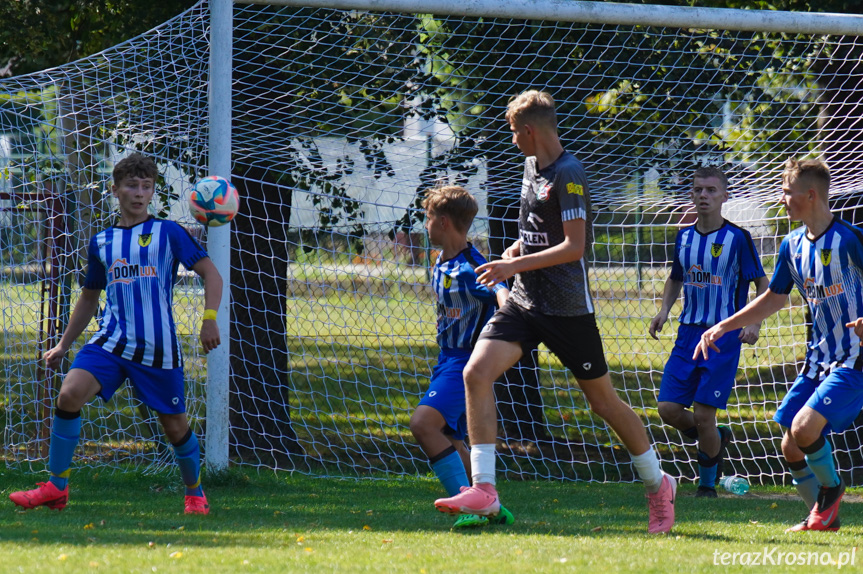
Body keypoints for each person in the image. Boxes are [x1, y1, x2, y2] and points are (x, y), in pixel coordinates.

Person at [433, 90, 677, 534]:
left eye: (513, 132)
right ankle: (484, 491)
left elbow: (574, 247)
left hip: (567, 311)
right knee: (476, 374)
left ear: (529, 130)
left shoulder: (570, 174)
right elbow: (540, 235)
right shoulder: (530, 168)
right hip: (525, 302)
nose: (511, 141)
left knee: (602, 402)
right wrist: (518, 250)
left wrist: (512, 264)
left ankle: (659, 485)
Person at [9, 153, 222, 515]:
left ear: (152, 192)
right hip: (111, 341)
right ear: (116, 190)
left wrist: (210, 319)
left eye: (146, 187)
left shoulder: (168, 233)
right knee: (70, 393)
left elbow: (212, 275)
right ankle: (56, 488)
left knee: (174, 427)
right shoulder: (102, 242)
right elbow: (89, 298)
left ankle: (195, 493)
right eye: (131, 186)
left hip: (158, 349)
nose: (139, 193)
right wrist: (64, 344)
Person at [695, 158, 863, 532]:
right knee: (790, 445)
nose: (782, 200)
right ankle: (821, 519)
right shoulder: (792, 244)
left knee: (805, 430)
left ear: (811, 195)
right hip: (819, 359)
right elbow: (774, 297)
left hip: (855, 359)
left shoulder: (850, 240)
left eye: (787, 193)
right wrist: (724, 325)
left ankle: (832, 491)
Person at [649, 166, 768, 497]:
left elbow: (762, 283)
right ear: (692, 194)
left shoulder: (737, 238)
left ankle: (707, 484)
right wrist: (663, 311)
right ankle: (713, 437)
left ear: (724, 197)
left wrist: (754, 324)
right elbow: (676, 277)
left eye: (711, 190)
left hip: (723, 338)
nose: (703, 195)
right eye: (698, 189)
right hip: (687, 335)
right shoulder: (683, 236)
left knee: (704, 414)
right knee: (668, 410)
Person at [410, 185, 515, 529]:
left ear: (442, 222)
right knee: (452, 437)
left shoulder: (473, 266)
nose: (424, 226)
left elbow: (503, 293)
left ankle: (469, 505)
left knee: (424, 424)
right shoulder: (441, 260)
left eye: (427, 219)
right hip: (446, 359)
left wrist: (504, 326)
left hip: (465, 361)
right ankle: (492, 508)